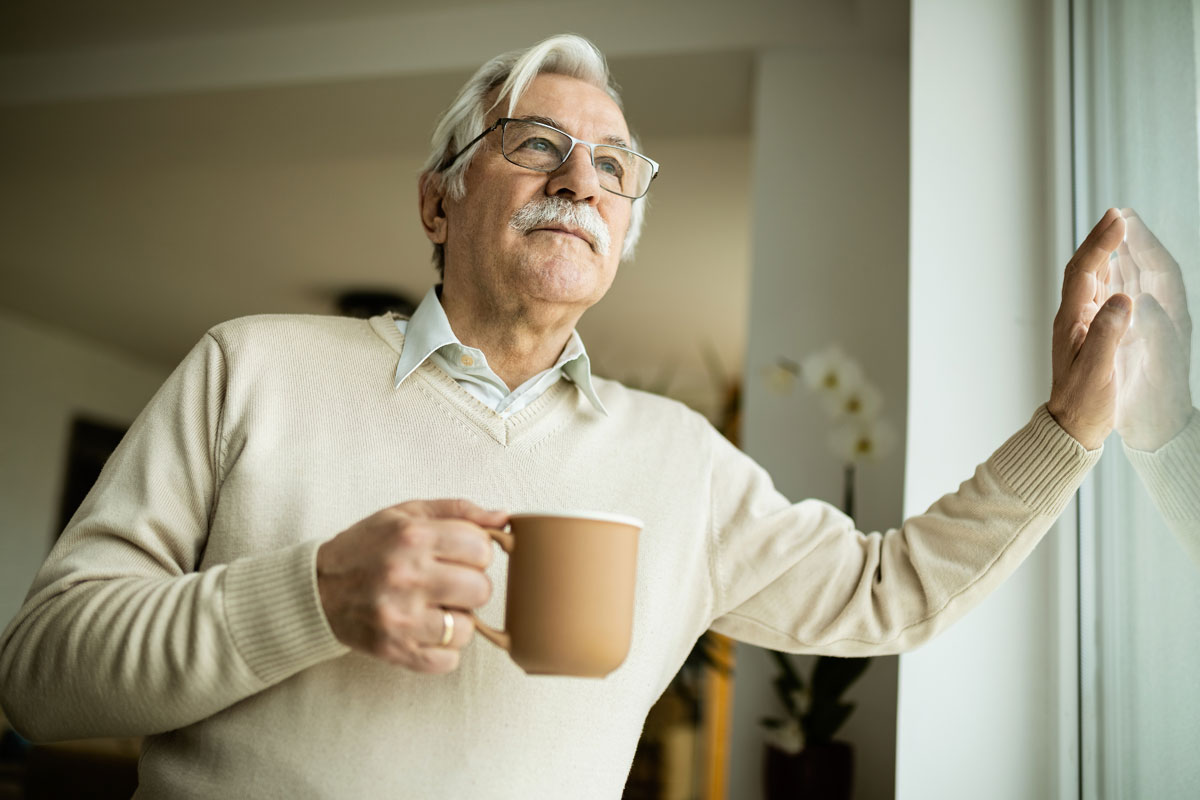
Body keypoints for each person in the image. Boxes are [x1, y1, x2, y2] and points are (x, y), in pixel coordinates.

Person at [0, 34, 1194, 799]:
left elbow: (893, 590)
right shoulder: (247, 369)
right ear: (439, 197)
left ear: (624, 228)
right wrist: (308, 595)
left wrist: (1074, 420)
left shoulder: (678, 457)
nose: (583, 179)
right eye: (538, 146)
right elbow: (43, 678)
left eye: (615, 168)